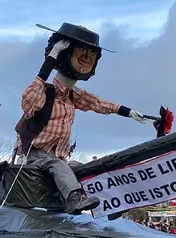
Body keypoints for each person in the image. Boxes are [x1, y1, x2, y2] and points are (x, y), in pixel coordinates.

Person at [14, 23, 148, 214]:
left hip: (57, 156)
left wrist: (128, 112)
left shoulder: (72, 95)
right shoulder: (44, 93)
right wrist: (51, 58)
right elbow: (29, 100)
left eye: (91, 54)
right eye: (81, 52)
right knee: (59, 166)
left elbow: (98, 103)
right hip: (35, 156)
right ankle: (73, 200)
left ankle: (109, 201)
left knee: (85, 168)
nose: (86, 58)